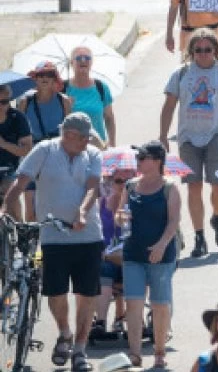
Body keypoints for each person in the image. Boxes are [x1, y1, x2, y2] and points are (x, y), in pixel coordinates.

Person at [1, 113, 101, 372]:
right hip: (53, 235)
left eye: (88, 136)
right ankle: (65, 333)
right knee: (55, 293)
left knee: (87, 295)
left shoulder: (92, 154)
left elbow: (92, 187)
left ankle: (80, 350)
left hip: (88, 235)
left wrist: (81, 211)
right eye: (83, 136)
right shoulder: (44, 150)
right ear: (68, 135)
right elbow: (20, 182)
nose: (87, 141)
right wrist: (4, 211)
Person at [158, 29, 218, 258]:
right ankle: (199, 237)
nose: (204, 55)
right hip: (188, 139)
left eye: (208, 50)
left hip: (216, 136)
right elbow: (169, 105)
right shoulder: (181, 74)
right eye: (199, 50)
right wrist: (163, 135)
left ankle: (217, 217)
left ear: (216, 51)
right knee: (193, 186)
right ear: (191, 52)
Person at [115, 141, 180, 369]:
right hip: (133, 252)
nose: (139, 161)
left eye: (143, 157)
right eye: (138, 157)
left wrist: (161, 245)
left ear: (157, 160)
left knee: (160, 304)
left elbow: (173, 222)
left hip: (161, 255)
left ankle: (160, 352)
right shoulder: (131, 186)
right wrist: (120, 218)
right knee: (134, 303)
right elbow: (119, 215)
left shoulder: (169, 188)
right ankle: (135, 353)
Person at [0, 85, 34, 212]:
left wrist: (3, 144)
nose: (1, 106)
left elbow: (27, 150)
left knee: (14, 211)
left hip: (10, 170)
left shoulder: (18, 117)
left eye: (4, 102)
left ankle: (17, 230)